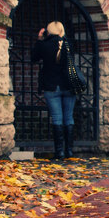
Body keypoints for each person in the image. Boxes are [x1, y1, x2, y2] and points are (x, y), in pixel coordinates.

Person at [31, 21, 76, 159]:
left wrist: (39, 39)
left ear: (48, 32)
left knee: (57, 118)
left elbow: (33, 58)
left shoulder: (45, 45)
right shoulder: (69, 45)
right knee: (68, 117)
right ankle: (69, 151)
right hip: (69, 86)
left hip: (51, 86)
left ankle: (59, 152)